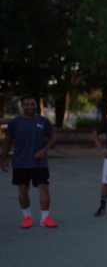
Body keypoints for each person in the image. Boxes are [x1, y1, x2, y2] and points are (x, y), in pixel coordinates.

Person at [1, 95, 58, 228]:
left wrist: (44, 150)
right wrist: (3, 159)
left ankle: (45, 218)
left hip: (40, 162)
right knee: (23, 191)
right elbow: (7, 141)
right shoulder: (15, 122)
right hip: (20, 162)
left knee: (44, 188)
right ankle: (27, 217)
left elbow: (53, 138)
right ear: (22, 106)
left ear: (36, 105)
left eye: (32, 104)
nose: (30, 107)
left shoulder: (43, 121)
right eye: (27, 104)